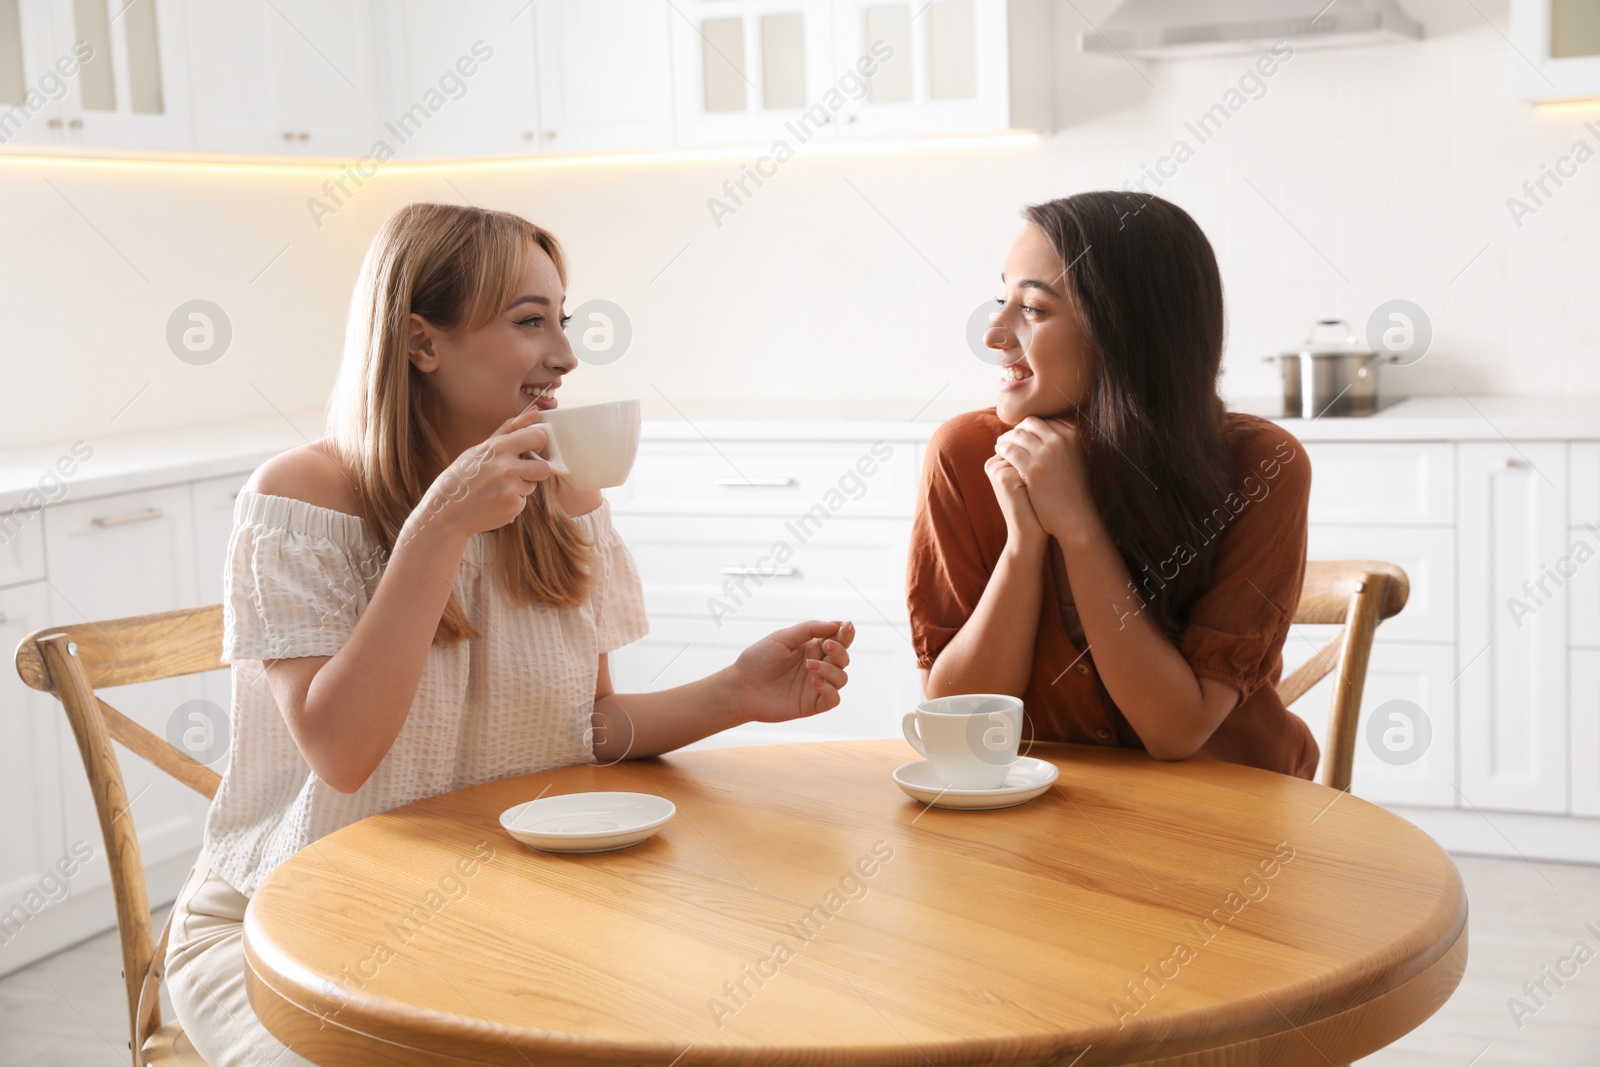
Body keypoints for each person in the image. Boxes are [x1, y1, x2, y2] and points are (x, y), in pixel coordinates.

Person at [163, 202, 856, 1065]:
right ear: (421, 341)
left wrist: (735, 694)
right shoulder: (304, 497)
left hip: (480, 912)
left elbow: (588, 727)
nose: (565, 356)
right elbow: (342, 753)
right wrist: (436, 530)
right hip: (280, 935)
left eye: (562, 323)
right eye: (532, 323)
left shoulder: (561, 497)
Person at [906, 191, 1318, 779]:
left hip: (1230, 810)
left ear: (1127, 332)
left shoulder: (1263, 466)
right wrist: (1024, 544)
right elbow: (958, 721)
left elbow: (1177, 731)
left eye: (1035, 309)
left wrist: (1076, 527)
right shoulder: (964, 455)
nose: (994, 334)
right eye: (1002, 300)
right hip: (1050, 808)